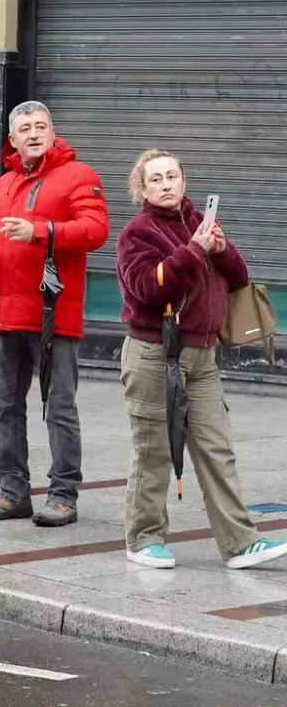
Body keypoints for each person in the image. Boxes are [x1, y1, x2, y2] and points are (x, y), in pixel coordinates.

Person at [115, 148, 287, 569]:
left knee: (217, 449)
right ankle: (143, 539)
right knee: (154, 450)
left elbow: (239, 278)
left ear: (184, 181)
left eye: (172, 176)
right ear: (142, 188)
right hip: (156, 355)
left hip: (203, 355)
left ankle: (240, 542)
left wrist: (221, 248)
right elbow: (148, 288)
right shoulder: (137, 232)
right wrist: (193, 250)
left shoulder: (200, 223)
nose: (166, 184)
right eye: (155, 179)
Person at [0, 100, 109, 527]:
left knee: (59, 407)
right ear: (12, 140)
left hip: (53, 314)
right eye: (25, 128)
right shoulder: (6, 181)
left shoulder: (78, 175)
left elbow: (95, 230)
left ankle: (63, 494)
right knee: (4, 408)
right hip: (7, 311)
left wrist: (41, 231)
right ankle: (13, 492)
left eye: (41, 126)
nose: (33, 133)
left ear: (52, 132)